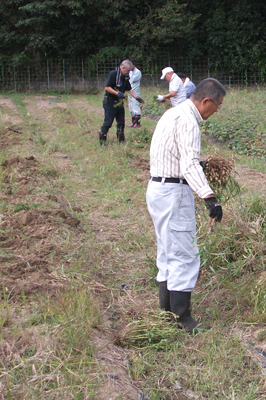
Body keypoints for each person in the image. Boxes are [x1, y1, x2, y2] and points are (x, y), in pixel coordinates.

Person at [146, 78, 226, 333]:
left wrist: (198, 168)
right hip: (174, 193)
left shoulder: (173, 113)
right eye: (218, 105)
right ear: (206, 101)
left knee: (167, 250)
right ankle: (182, 318)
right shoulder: (190, 121)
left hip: (157, 188)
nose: (217, 111)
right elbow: (189, 163)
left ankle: (167, 313)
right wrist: (209, 197)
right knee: (184, 253)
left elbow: (175, 155)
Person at [100, 60, 144, 146]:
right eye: (128, 70)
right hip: (110, 101)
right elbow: (107, 87)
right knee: (108, 122)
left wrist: (137, 97)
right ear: (123, 68)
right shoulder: (113, 74)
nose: (129, 72)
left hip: (119, 102)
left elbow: (129, 89)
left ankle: (121, 140)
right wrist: (117, 93)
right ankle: (102, 140)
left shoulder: (125, 77)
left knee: (121, 122)